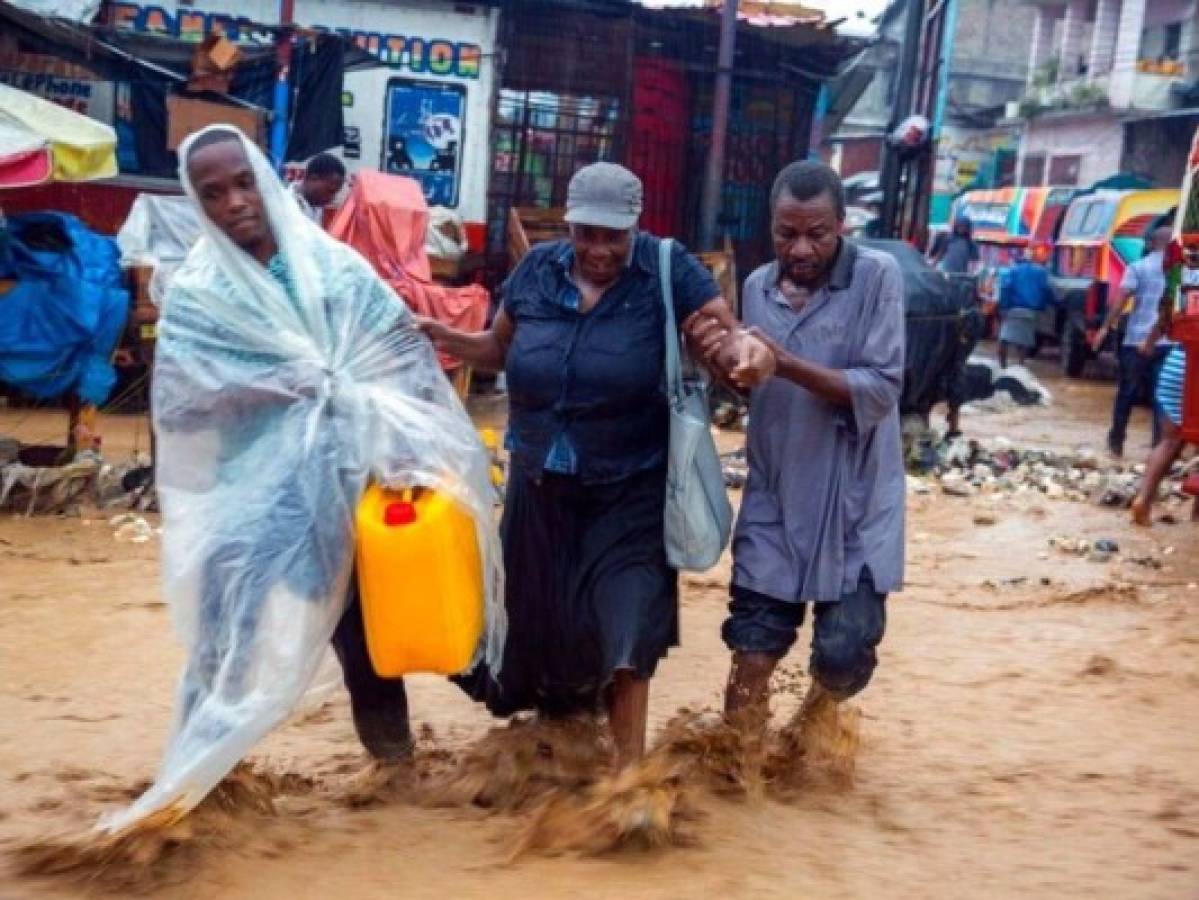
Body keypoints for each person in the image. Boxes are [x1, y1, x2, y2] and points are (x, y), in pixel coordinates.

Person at [156, 128, 493, 769]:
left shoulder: (332, 269)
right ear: (197, 203)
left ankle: (412, 767)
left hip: (349, 485)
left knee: (371, 641)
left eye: (243, 182)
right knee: (226, 645)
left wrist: (407, 452)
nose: (234, 202)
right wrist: (277, 386)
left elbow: (400, 361)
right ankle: (194, 782)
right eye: (214, 193)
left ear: (265, 178)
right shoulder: (196, 296)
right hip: (251, 506)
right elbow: (184, 404)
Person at [419, 162, 772, 764]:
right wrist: (441, 336)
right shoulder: (536, 271)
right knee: (531, 636)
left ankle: (628, 779)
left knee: (628, 626)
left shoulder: (667, 269)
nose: (600, 249)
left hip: (629, 487)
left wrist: (744, 354)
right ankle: (557, 751)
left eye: (614, 235)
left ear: (635, 228)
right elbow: (499, 349)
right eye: (588, 233)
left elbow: (727, 335)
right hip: (538, 486)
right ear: (569, 223)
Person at [693, 161, 905, 738]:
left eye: (817, 234)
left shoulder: (877, 277)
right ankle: (740, 784)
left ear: (841, 225)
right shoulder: (757, 288)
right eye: (787, 234)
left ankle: (811, 733)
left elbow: (882, 388)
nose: (801, 248)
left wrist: (782, 362)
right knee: (751, 650)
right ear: (771, 228)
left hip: (857, 509)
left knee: (840, 661)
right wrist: (717, 361)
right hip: (777, 501)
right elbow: (745, 385)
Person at [1130, 243, 1199, 526]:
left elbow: (1163, 320)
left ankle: (1143, 500)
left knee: (1169, 441)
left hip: (1178, 363)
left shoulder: (1180, 279)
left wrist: (1147, 345)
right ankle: (1196, 517)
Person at [1093, 226, 1174, 457]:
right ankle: (1159, 447)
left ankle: (1116, 442)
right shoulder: (1180, 271)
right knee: (1162, 395)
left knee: (1127, 392)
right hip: (1168, 342)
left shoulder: (1138, 267)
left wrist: (1105, 327)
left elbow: (1120, 301)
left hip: (1136, 339)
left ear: (1150, 243)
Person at [996, 249, 1054, 368]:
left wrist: (1003, 307)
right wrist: (1044, 306)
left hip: (1013, 310)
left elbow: (1005, 288)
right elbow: (1047, 291)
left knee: (1003, 339)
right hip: (1031, 312)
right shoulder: (1042, 272)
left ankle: (1002, 367)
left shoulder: (1013, 270)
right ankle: (1021, 367)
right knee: (1023, 342)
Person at [290, 151, 347, 225]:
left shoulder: (316, 205)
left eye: (335, 193)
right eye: (330, 191)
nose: (331, 198)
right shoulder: (288, 204)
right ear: (313, 177)